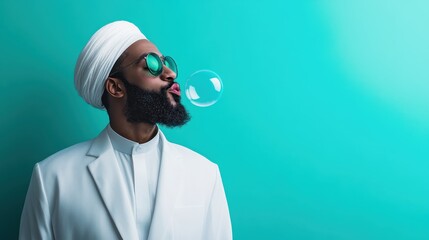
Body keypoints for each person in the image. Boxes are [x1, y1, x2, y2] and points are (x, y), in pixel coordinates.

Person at [19, 20, 232, 240]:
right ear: (116, 87)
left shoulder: (205, 174)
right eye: (152, 64)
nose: (169, 73)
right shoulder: (52, 177)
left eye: (166, 63)